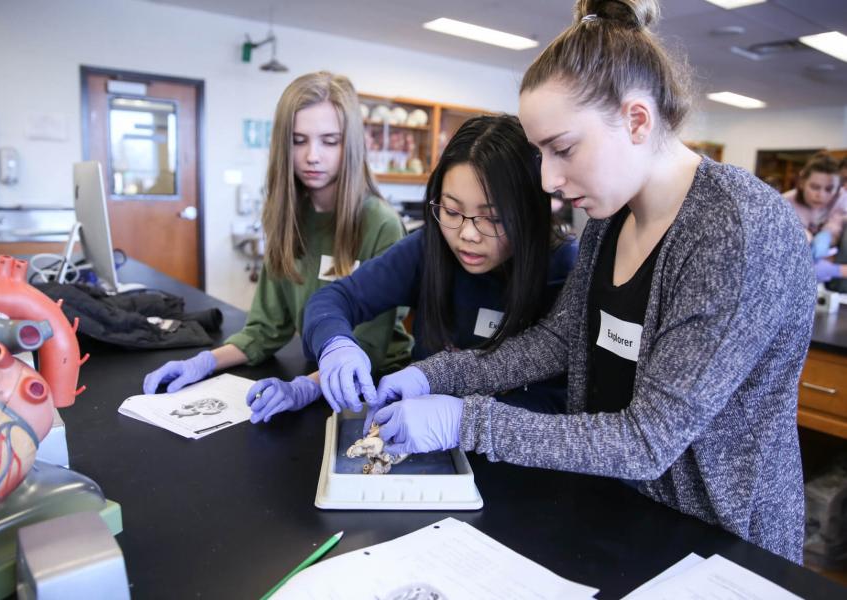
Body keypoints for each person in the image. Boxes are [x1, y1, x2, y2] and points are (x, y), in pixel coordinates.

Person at [365, 0, 815, 563]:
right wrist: (433, 375)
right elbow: (559, 342)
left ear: (636, 120)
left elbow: (646, 440)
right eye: (541, 153)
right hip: (621, 513)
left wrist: (465, 420)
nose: (549, 180)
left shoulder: (734, 230)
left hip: (719, 545)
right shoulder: (609, 217)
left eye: (564, 148)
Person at [255, 114, 577, 427]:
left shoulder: (563, 268)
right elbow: (334, 299)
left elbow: (558, 400)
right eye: (451, 211)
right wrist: (335, 346)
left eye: (491, 218)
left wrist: (458, 417)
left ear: (530, 211)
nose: (467, 234)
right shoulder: (429, 247)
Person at [142, 72, 412, 419]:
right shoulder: (286, 217)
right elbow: (266, 328)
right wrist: (205, 362)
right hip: (315, 374)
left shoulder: (381, 224)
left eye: (329, 141)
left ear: (352, 144)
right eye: (299, 140)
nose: (312, 156)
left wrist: (303, 387)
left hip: (373, 390)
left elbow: (369, 347)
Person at [782, 151, 847, 284]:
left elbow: (838, 222)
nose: (821, 195)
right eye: (814, 187)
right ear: (802, 183)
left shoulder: (841, 198)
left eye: (829, 189)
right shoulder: (784, 203)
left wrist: (828, 234)